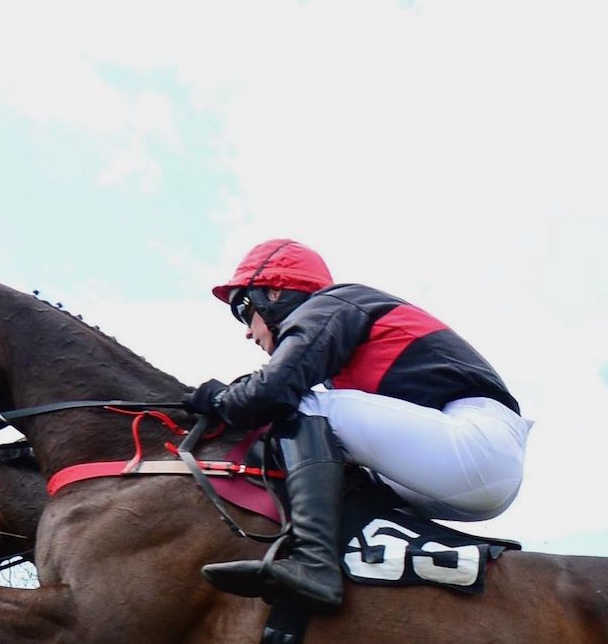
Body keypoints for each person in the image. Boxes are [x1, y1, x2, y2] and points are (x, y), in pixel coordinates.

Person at [185, 239, 533, 610]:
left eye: (243, 309)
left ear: (273, 292)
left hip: (475, 445)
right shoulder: (341, 336)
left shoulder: (331, 303)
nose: (247, 331)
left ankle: (314, 565)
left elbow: (271, 393)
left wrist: (217, 399)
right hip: (465, 472)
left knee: (301, 406)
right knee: (336, 464)